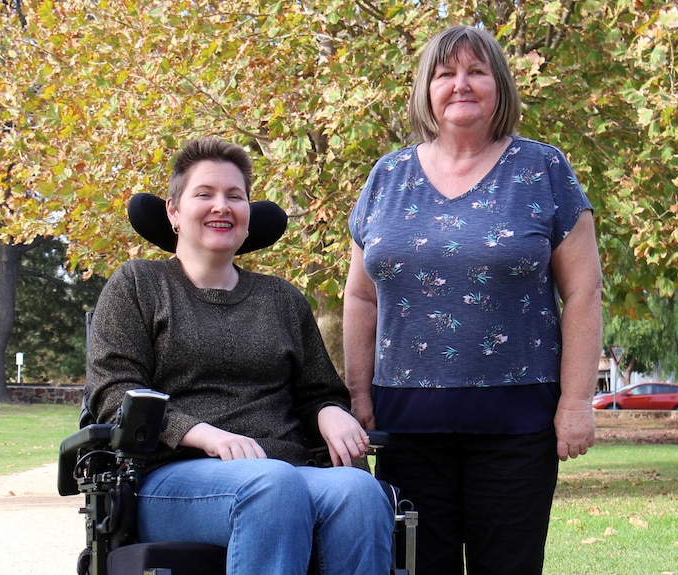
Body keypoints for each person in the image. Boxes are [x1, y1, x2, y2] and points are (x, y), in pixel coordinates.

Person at [343, 25, 603, 575]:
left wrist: (576, 403)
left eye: (476, 72)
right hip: (405, 427)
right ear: (426, 90)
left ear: (499, 86)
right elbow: (360, 297)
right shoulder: (386, 176)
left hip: (517, 429)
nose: (460, 84)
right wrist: (358, 393)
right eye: (445, 74)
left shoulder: (544, 170)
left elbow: (583, 292)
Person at [86, 137, 393, 575]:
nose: (221, 206)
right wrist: (206, 435)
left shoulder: (282, 299)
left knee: (360, 492)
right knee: (273, 484)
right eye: (204, 194)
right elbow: (115, 394)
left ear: (248, 217)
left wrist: (329, 411)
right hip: (173, 476)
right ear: (173, 212)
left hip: (282, 469)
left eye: (235, 196)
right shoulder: (139, 285)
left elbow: (317, 393)